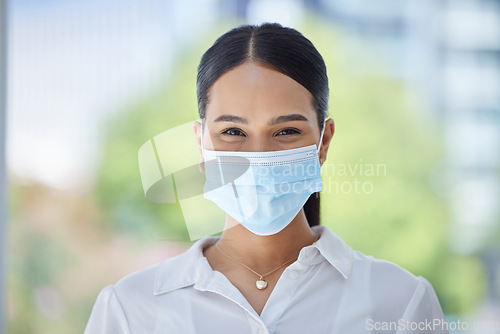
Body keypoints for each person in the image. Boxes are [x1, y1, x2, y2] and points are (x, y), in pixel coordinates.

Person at [85, 23, 449, 334]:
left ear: (324, 143)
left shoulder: (401, 303)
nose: (258, 157)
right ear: (201, 145)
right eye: (232, 132)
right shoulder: (130, 311)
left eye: (286, 131)